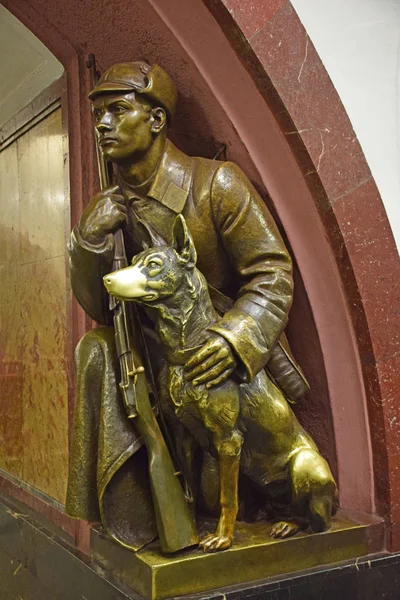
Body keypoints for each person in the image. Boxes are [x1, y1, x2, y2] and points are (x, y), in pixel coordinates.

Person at [66, 61, 311, 551]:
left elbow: (272, 272)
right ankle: (141, 512)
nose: (103, 125)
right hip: (151, 362)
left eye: (118, 110)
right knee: (95, 348)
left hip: (213, 365)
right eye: (97, 115)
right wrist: (88, 242)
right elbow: (99, 306)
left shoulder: (215, 184)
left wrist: (235, 337)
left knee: (228, 475)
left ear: (156, 120)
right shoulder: (109, 205)